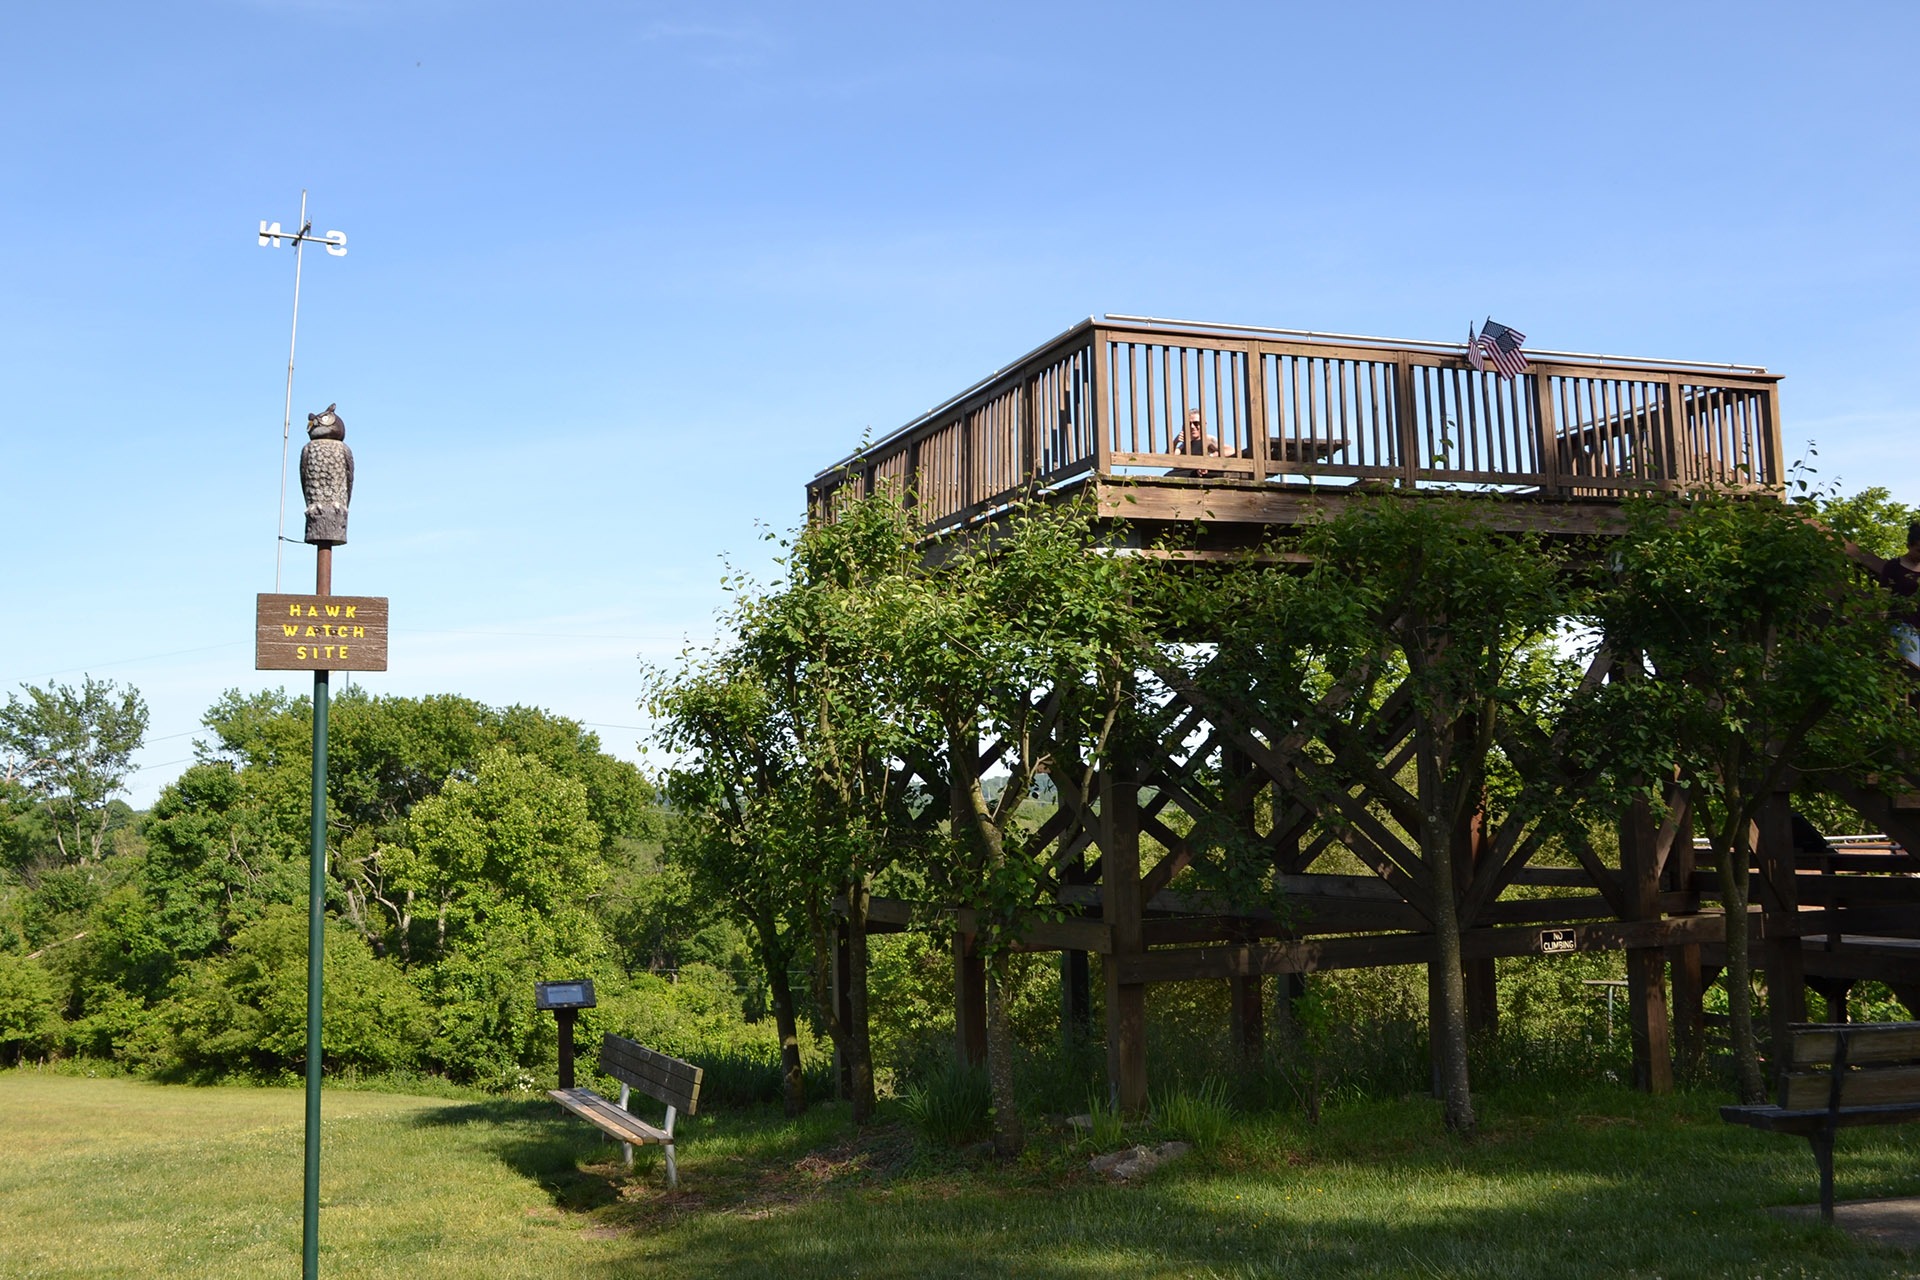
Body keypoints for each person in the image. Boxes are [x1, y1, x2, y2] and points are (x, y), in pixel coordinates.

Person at [1879, 521, 1920, 668]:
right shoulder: (1894, 566)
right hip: (1903, 625)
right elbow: (1883, 594)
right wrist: (1882, 619)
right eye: (1918, 550)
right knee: (1913, 669)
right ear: (1909, 546)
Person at [1171, 408, 1220, 478]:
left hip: (1198, 474)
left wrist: (1209, 458)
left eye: (1196, 423)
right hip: (1183, 474)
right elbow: (1170, 457)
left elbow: (1229, 450)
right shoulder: (1185, 444)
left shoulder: (1208, 439)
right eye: (1189, 424)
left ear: (1204, 424)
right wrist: (1175, 442)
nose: (1192, 427)